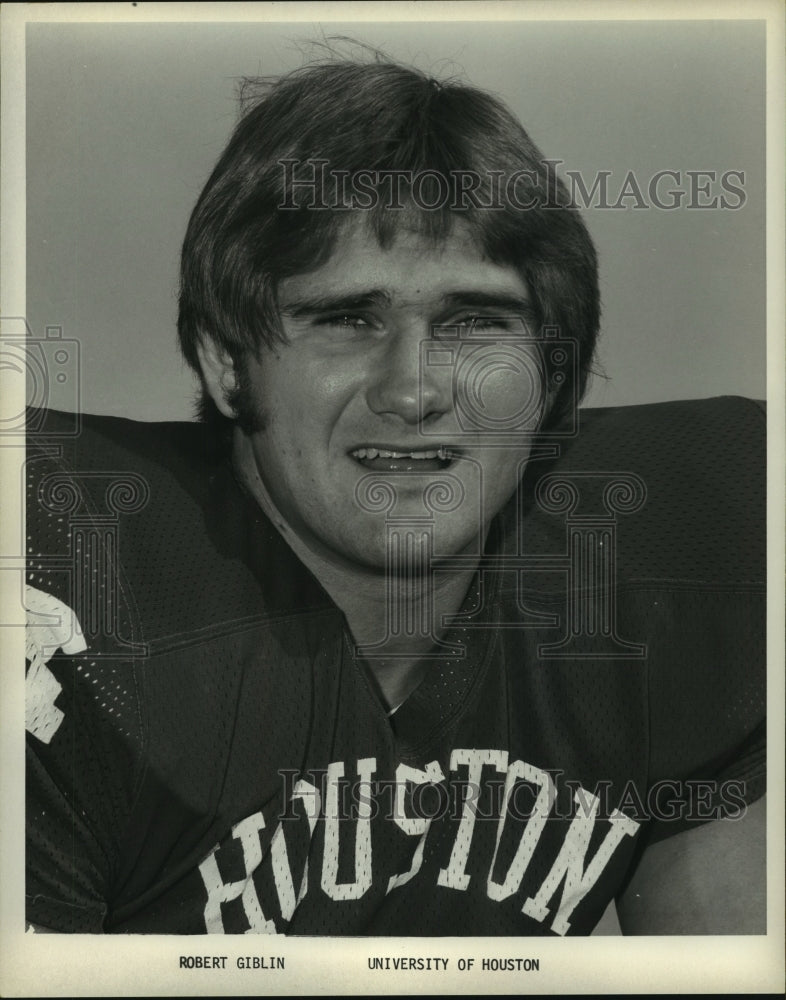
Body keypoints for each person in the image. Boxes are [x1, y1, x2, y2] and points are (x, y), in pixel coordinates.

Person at [24, 55, 765, 936]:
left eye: (475, 322)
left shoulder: (689, 546)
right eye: (347, 320)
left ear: (550, 372)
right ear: (227, 362)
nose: (413, 390)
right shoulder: (63, 573)